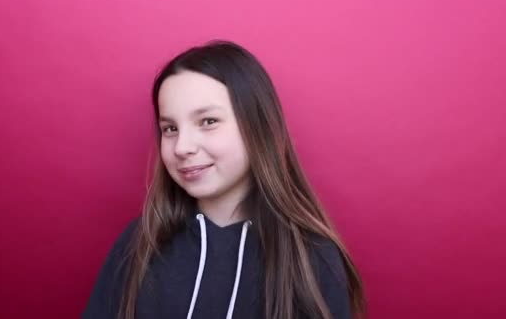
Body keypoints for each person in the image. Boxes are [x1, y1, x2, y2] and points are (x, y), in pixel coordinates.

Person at [83, 40, 366, 319]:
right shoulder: (139, 244)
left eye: (208, 121)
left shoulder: (312, 258)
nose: (182, 147)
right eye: (170, 128)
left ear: (258, 126)